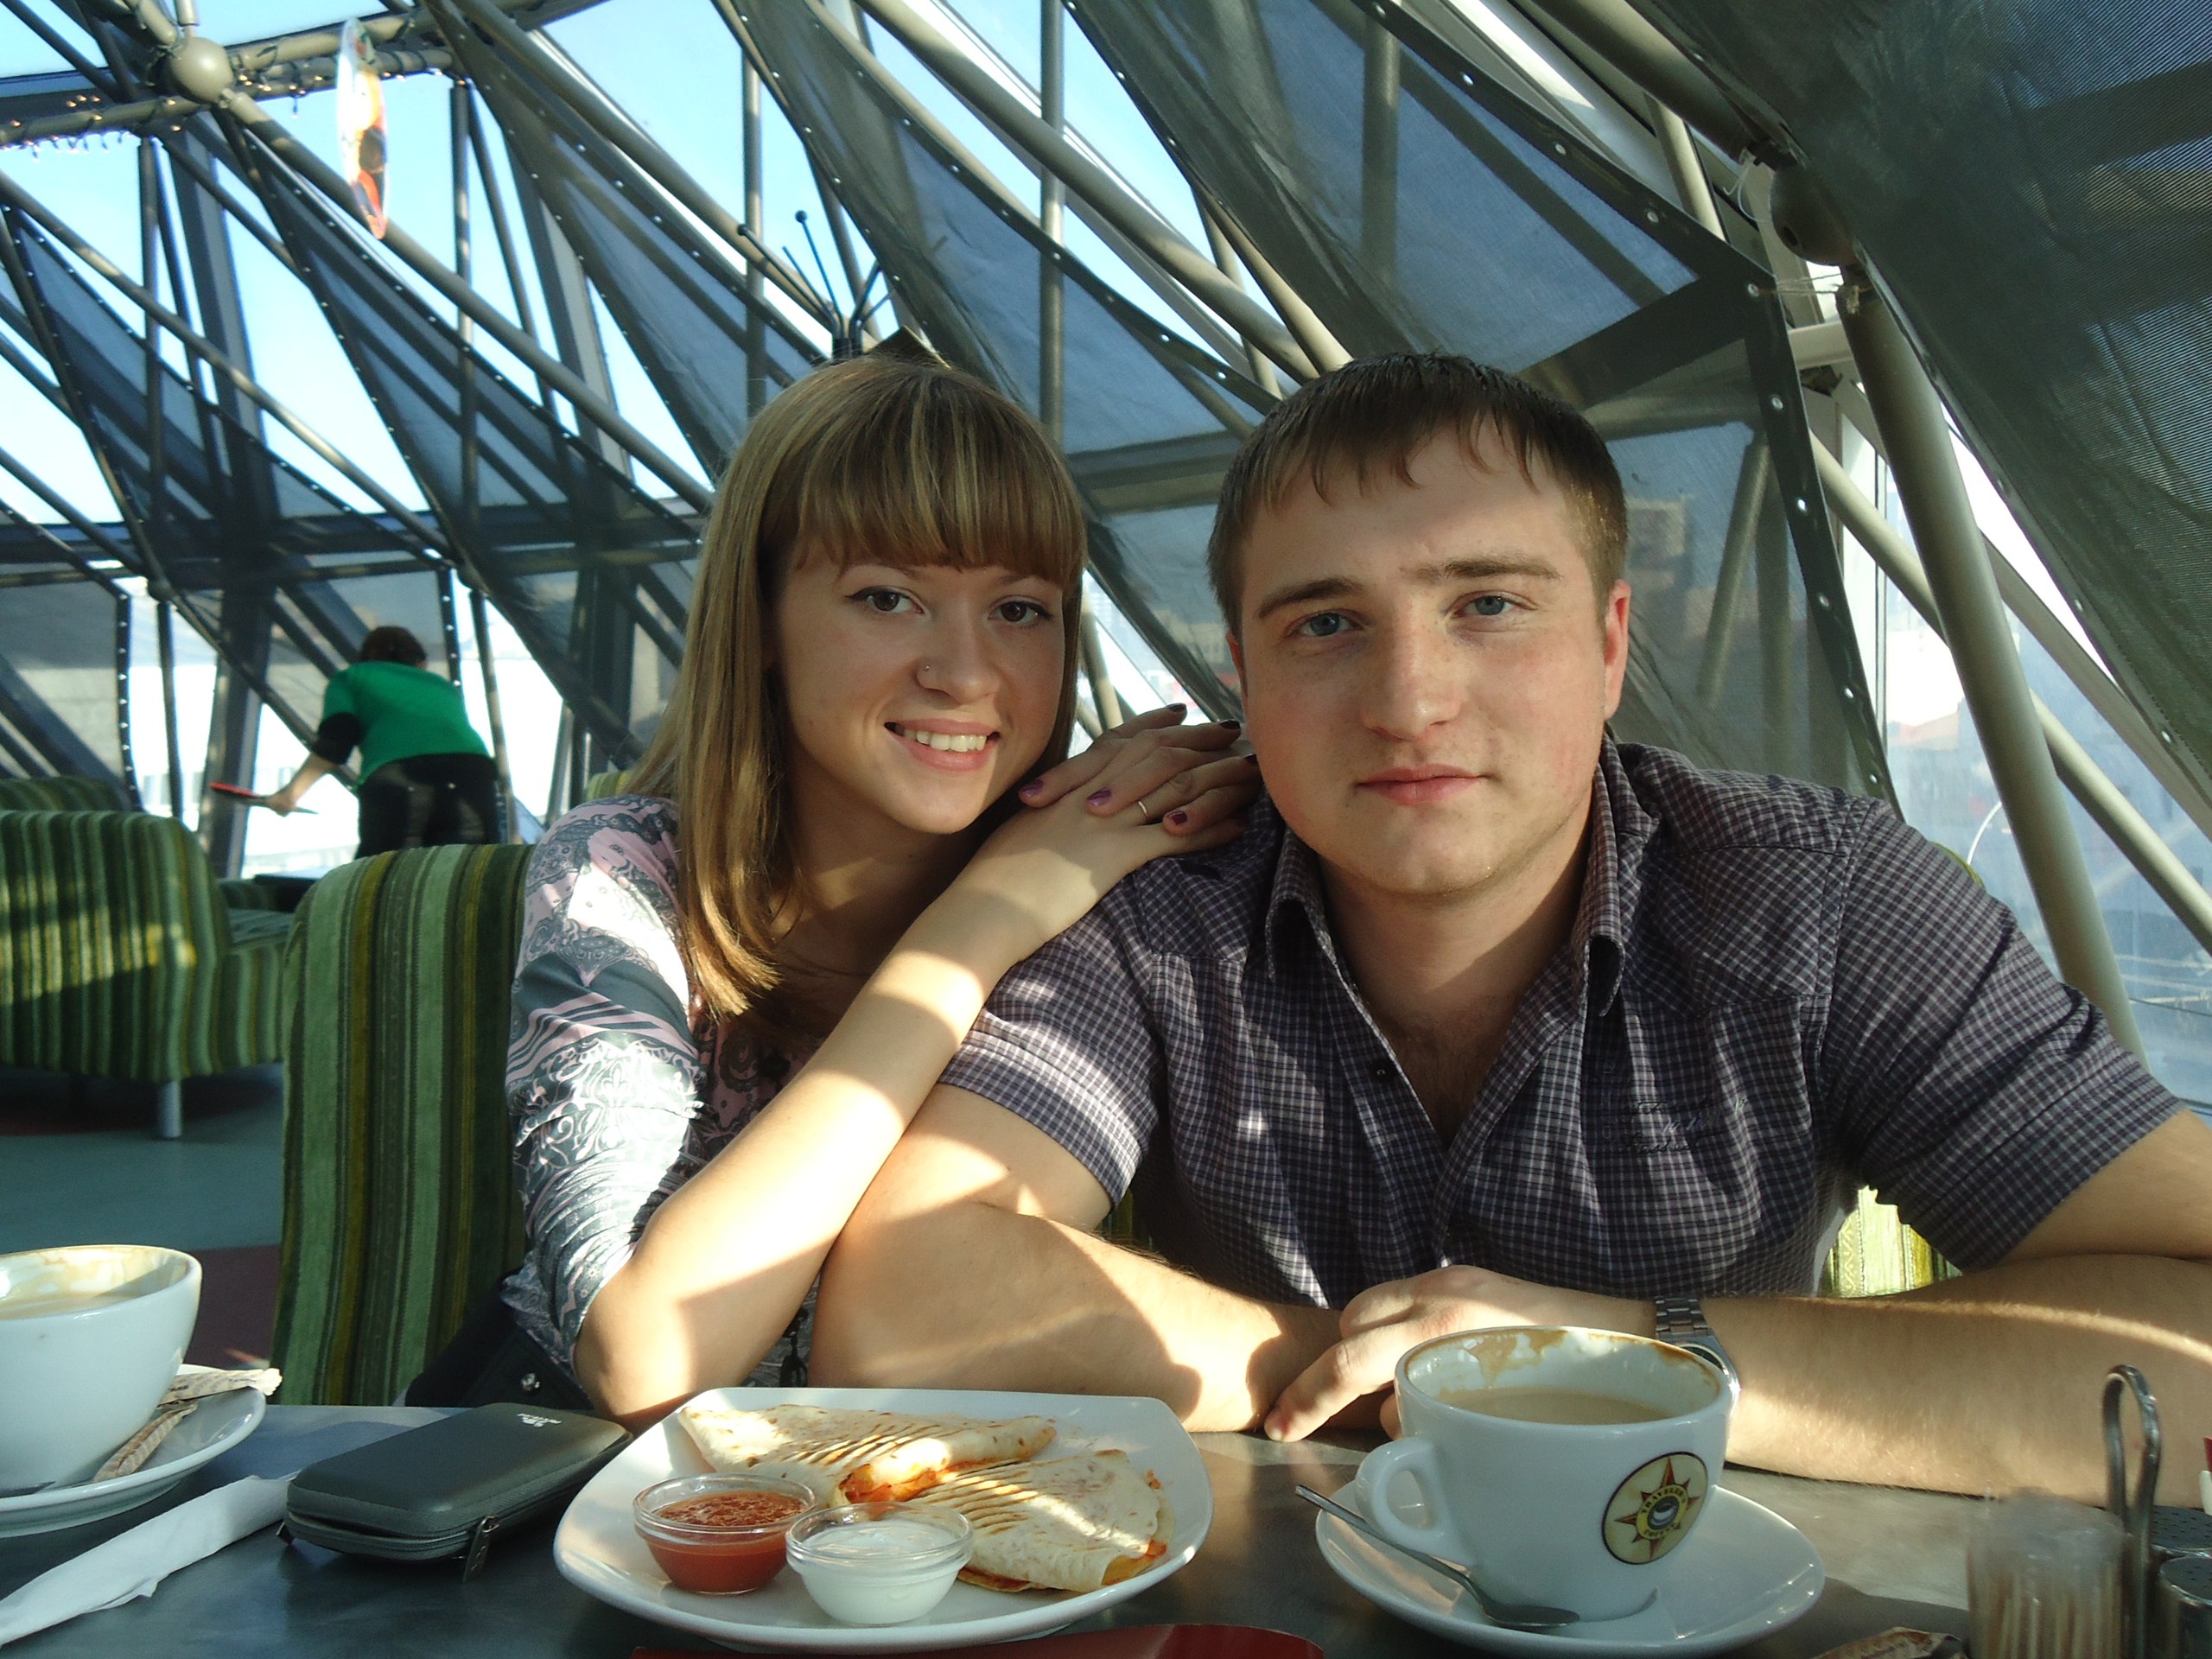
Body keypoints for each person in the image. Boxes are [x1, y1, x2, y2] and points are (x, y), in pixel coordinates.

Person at [812, 353, 2212, 1503]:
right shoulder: (1164, 904)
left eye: (1486, 605)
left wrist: (1620, 1363)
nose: (1409, 701)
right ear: (1240, 674)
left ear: (1609, 645)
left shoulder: (1821, 904)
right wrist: (1424, 1376)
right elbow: (905, 1297)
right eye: (1325, 626)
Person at [480, 353, 1256, 1428]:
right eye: (888, 598)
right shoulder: (623, 871)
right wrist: (977, 927)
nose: (966, 673)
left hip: (935, 1494)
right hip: (583, 1480)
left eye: (1019, 609)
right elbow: (644, 1359)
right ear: (759, 621)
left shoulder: (1111, 875)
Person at [248, 625, 501, 856]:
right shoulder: (441, 685)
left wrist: (290, 795)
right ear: (421, 663)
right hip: (473, 775)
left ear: (366, 658)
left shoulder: (351, 677)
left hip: (400, 778)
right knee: (466, 872)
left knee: (384, 876)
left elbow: (336, 741)